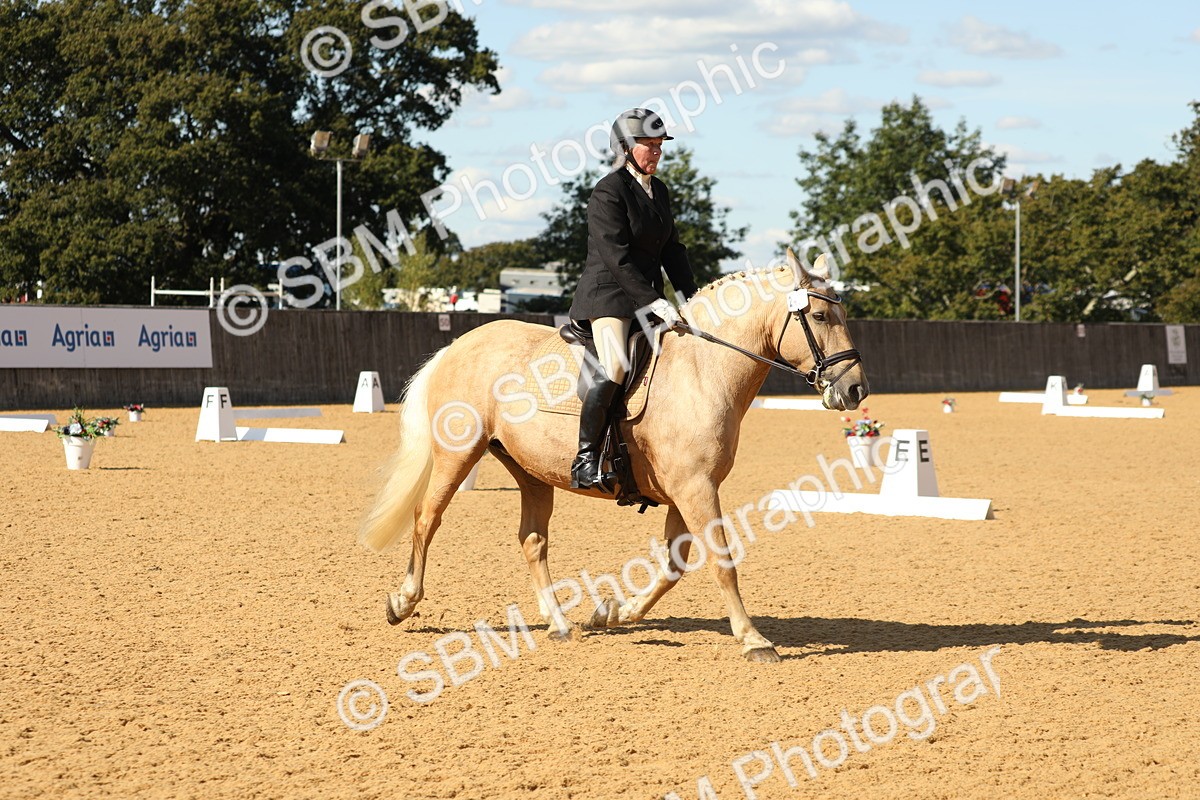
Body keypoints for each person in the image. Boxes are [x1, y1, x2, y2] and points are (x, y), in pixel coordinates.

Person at [567, 108, 699, 493]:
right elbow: (616, 257)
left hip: (646, 299)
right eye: (648, 146)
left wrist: (692, 298)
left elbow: (673, 250)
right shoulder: (608, 191)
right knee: (616, 364)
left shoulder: (660, 192)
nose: (656, 153)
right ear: (625, 147)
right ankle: (586, 458)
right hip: (608, 298)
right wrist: (652, 300)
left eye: (660, 146)